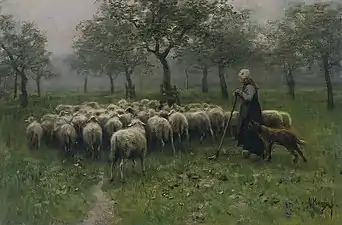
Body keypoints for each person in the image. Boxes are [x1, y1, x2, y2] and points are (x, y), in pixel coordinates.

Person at [234, 68, 265, 158]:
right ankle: (248, 149)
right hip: (248, 110)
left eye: (241, 78)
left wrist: (240, 93)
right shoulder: (247, 85)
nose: (240, 80)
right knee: (246, 129)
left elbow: (249, 98)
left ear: (244, 78)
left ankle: (256, 151)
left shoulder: (250, 86)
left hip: (252, 111)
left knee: (252, 129)